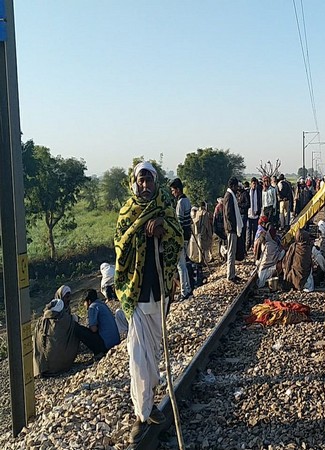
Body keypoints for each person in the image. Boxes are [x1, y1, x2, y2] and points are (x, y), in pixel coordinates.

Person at [114, 161, 182, 443]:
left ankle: (149, 403)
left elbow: (179, 238)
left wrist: (163, 228)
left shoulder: (165, 209)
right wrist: (142, 233)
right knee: (138, 357)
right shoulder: (127, 213)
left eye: (149, 180)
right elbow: (120, 247)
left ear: (156, 182)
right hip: (138, 294)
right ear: (134, 182)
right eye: (140, 180)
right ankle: (141, 413)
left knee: (153, 355)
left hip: (160, 293)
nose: (145, 185)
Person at [32, 298, 80, 377]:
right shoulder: (67, 319)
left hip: (46, 366)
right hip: (65, 363)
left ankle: (39, 366)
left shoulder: (40, 322)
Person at [78, 289, 120, 358]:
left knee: (79, 329)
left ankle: (98, 352)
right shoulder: (101, 304)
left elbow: (93, 329)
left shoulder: (92, 307)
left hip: (106, 344)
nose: (84, 305)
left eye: (84, 302)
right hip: (115, 340)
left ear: (88, 301)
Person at [169, 178, 192, 300]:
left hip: (181, 237)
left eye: (173, 190)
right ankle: (187, 288)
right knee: (183, 264)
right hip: (187, 236)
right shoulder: (187, 200)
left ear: (177, 190)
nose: (173, 193)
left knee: (180, 266)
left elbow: (178, 223)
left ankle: (184, 291)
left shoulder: (180, 203)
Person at [223, 177, 243, 283]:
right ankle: (230, 276)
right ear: (233, 186)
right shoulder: (229, 196)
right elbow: (228, 213)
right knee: (231, 252)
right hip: (231, 229)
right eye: (236, 186)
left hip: (232, 228)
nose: (237, 188)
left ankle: (232, 274)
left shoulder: (230, 195)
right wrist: (233, 227)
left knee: (233, 252)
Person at [255, 223, 285, 288]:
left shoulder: (269, 242)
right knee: (280, 263)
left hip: (264, 267)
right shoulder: (270, 245)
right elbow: (276, 257)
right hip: (265, 270)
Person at [246, 177, 262, 252]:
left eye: (255, 184)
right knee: (248, 230)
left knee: (255, 230)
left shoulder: (259, 192)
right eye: (253, 184)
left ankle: (254, 244)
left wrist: (258, 211)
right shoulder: (247, 192)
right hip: (249, 214)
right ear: (251, 184)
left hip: (256, 214)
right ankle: (248, 245)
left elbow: (260, 202)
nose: (254, 185)